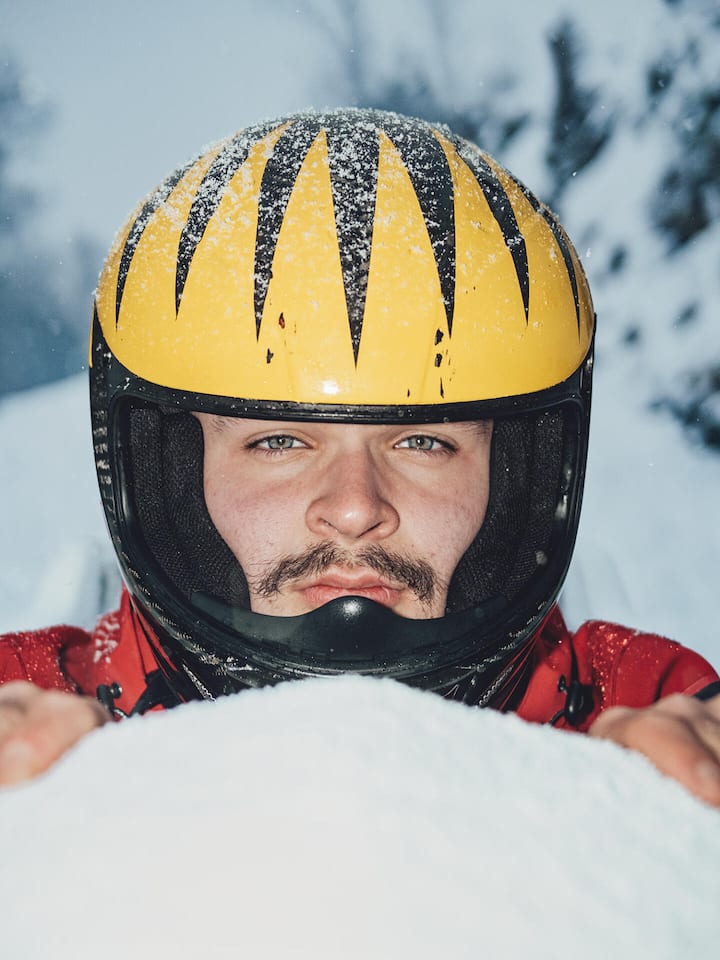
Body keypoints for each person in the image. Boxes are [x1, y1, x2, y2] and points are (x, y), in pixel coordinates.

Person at [1, 108, 719, 802]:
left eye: (423, 443)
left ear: (516, 482)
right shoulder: (26, 702)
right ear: (169, 479)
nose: (353, 509)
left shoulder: (647, 704)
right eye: (278, 442)